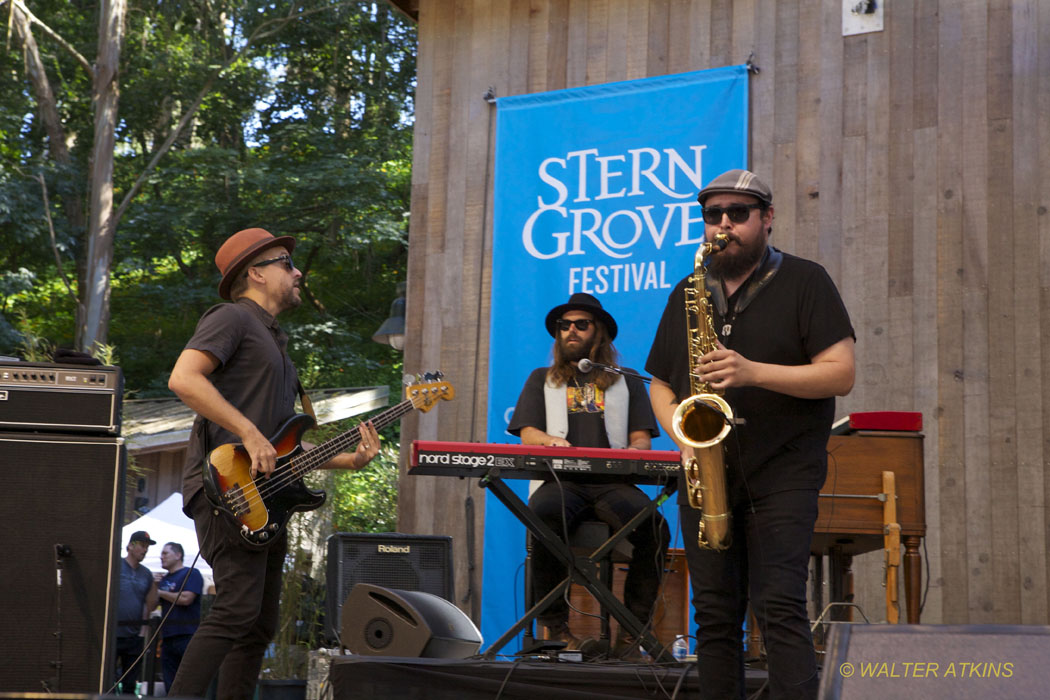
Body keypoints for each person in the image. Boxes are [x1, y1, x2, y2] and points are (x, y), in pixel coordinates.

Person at [646, 169, 856, 699]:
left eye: (737, 214)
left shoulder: (806, 280)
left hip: (784, 466)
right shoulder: (689, 290)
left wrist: (753, 372)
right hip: (708, 469)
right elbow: (661, 384)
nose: (723, 225)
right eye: (712, 215)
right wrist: (686, 437)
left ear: (767, 219)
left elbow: (840, 373)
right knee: (714, 614)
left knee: (780, 604)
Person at [166, 227, 381, 700]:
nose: (298, 271)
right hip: (227, 487)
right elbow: (184, 378)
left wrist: (349, 460)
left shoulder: (275, 342)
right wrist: (247, 431)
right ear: (256, 273)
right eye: (287, 262)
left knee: (256, 626)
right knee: (234, 614)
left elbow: (281, 450)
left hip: (267, 497)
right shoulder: (232, 317)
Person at [507, 292, 668, 657]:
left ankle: (632, 632)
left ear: (600, 333)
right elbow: (527, 433)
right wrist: (549, 441)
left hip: (612, 484)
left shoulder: (626, 379)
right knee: (543, 515)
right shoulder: (541, 379)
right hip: (561, 482)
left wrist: (635, 453)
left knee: (655, 529)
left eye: (581, 324)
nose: (571, 331)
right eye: (564, 326)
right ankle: (558, 628)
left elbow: (641, 441)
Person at [154, 542, 204, 692]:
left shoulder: (191, 573)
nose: (161, 557)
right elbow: (151, 605)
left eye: (165, 553)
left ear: (178, 555)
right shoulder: (162, 580)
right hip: (168, 638)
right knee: (170, 684)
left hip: (187, 636)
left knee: (188, 682)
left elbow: (186, 599)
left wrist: (161, 593)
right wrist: (153, 586)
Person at [115, 530, 159, 694]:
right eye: (142, 545)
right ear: (130, 546)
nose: (145, 550)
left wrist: (142, 634)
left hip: (134, 636)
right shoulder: (116, 565)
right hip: (113, 633)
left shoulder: (146, 574)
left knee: (130, 682)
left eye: (147, 546)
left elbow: (151, 605)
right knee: (107, 679)